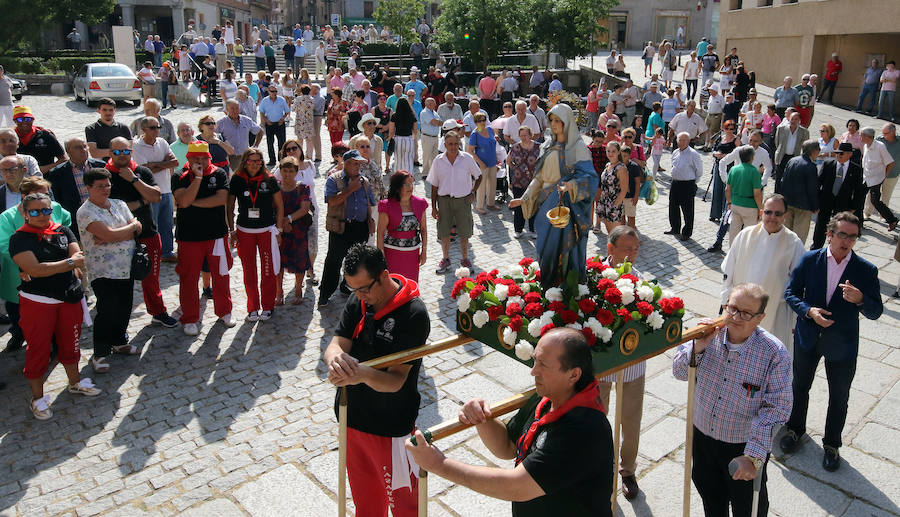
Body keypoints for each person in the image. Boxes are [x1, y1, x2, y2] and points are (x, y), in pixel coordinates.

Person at [407, 327, 613, 517]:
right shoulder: (547, 397)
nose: (533, 371)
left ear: (574, 374)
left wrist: (440, 465)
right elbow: (508, 447)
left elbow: (517, 486)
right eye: (535, 361)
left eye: (543, 364)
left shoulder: (584, 429)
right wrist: (482, 419)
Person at [325, 244, 429, 516]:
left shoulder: (413, 314)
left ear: (384, 275)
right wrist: (335, 358)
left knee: (404, 505)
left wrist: (359, 373)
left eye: (364, 288)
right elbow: (337, 342)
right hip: (353, 418)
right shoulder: (358, 300)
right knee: (366, 504)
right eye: (353, 290)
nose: (360, 296)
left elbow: (395, 381)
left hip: (390, 426)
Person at [674, 283, 792, 517]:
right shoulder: (706, 333)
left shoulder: (774, 354)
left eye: (746, 313)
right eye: (733, 308)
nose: (737, 317)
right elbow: (678, 372)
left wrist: (753, 456)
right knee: (710, 498)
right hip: (703, 438)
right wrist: (698, 347)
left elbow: (778, 409)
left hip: (742, 445)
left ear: (760, 318)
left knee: (748, 508)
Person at [782, 212, 883, 472]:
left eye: (852, 236)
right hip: (808, 336)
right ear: (829, 234)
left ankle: (832, 445)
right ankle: (794, 429)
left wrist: (861, 299)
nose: (847, 241)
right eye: (842, 234)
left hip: (842, 345)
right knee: (799, 386)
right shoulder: (810, 259)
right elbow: (790, 293)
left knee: (839, 397)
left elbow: (875, 312)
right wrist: (808, 311)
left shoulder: (866, 270)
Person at [10, 192, 101, 418]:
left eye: (46, 210)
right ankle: (38, 399)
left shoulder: (62, 230)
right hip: (38, 302)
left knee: (71, 342)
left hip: (69, 296)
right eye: (35, 211)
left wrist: (67, 263)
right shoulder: (19, 238)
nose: (42, 215)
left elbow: (77, 254)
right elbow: (36, 270)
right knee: (39, 349)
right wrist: (70, 263)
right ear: (25, 214)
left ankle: (75, 382)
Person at [509, 104, 598, 287]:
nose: (554, 124)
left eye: (558, 120)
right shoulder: (547, 146)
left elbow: (590, 178)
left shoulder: (577, 148)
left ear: (567, 122)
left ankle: (567, 287)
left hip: (566, 205)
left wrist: (572, 185)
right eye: (552, 120)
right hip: (546, 205)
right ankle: (548, 286)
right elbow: (539, 178)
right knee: (545, 246)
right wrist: (524, 198)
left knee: (566, 248)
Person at [594, 226, 647, 499]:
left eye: (636, 249)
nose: (633, 254)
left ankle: (627, 470)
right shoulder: (594, 275)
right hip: (602, 364)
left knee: (631, 420)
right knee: (596, 417)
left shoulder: (641, 281)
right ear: (610, 248)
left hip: (632, 365)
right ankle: (599, 468)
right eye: (627, 248)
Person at [77, 168, 143, 373]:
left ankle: (119, 341)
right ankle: (100, 352)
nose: (105, 189)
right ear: (88, 188)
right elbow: (113, 233)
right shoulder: (85, 212)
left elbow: (138, 227)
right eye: (100, 186)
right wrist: (126, 229)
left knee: (125, 306)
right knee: (107, 310)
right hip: (102, 271)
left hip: (126, 267)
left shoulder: (119, 204)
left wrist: (115, 234)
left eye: (107, 185)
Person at [721, 193, 805, 352]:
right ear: (761, 212)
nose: (772, 217)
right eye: (768, 212)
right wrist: (726, 299)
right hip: (739, 310)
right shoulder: (746, 235)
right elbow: (728, 268)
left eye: (778, 213)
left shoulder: (793, 243)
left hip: (774, 314)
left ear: (785, 215)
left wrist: (795, 320)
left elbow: (799, 285)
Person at [171, 141, 235, 336]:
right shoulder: (179, 176)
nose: (200, 161)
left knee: (221, 275)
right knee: (188, 278)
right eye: (195, 158)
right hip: (189, 237)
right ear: (188, 159)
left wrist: (192, 203)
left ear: (209, 158)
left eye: (203, 158)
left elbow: (220, 199)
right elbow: (182, 200)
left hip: (216, 235)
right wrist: (197, 178)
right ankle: (190, 318)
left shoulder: (219, 173)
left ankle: (225, 311)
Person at [227, 148, 284, 321]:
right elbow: (229, 207)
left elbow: (280, 206)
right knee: (248, 271)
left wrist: (279, 230)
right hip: (245, 232)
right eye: (251, 161)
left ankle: (268, 306)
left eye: (258, 161)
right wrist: (232, 230)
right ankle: (252, 307)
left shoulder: (269, 179)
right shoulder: (237, 179)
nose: (254, 165)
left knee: (267, 270)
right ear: (244, 162)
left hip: (266, 231)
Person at [319, 150, 376, 306]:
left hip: (360, 227)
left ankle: (347, 286)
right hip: (340, 228)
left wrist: (370, 221)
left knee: (356, 262)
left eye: (359, 163)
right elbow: (331, 201)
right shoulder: (333, 180)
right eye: (354, 163)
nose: (358, 166)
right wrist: (350, 189)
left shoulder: (364, 181)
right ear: (346, 163)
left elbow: (370, 202)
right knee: (333, 261)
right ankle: (325, 293)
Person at [131, 118, 180, 269]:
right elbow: (144, 170)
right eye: (152, 127)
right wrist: (163, 164)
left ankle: (167, 252)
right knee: (151, 225)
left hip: (165, 189)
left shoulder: (162, 142)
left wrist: (155, 165)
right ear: (143, 129)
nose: (156, 130)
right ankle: (151, 253)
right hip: (149, 192)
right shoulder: (137, 146)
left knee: (167, 224)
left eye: (158, 127)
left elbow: (175, 162)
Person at [46, 138, 105, 240]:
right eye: (78, 147)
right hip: (76, 222)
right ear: (68, 152)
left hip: (102, 218)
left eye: (85, 146)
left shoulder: (101, 166)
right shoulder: (56, 173)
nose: (83, 150)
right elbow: (57, 200)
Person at [812, 143, 866, 250]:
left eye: (841, 154)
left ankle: (834, 247)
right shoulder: (828, 164)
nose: (838, 156)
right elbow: (818, 182)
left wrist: (854, 206)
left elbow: (858, 190)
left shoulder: (856, 169)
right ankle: (816, 248)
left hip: (843, 202)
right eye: (837, 153)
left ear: (849, 154)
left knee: (839, 227)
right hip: (826, 200)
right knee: (821, 225)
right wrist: (816, 201)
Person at [376, 171, 427, 282]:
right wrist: (381, 256)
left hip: (412, 254)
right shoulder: (386, 205)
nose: (410, 187)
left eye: (411, 183)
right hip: (392, 254)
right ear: (398, 187)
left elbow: (423, 229)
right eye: (406, 184)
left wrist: (424, 251)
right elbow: (380, 233)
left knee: (410, 284)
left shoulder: (420, 203)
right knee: (393, 285)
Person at [276, 156, 312, 304]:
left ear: (296, 172)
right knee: (278, 262)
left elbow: (305, 209)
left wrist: (288, 219)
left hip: (298, 229)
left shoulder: (302, 188)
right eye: (285, 171)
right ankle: (279, 291)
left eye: (291, 171)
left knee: (299, 260)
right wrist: (281, 224)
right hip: (278, 230)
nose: (287, 174)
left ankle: (298, 289)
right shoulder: (276, 188)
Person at [780, 139, 821, 244]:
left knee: (786, 233)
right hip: (803, 206)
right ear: (814, 151)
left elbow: (783, 180)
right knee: (799, 236)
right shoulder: (811, 166)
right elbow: (812, 189)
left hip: (788, 202)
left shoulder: (792, 160)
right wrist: (815, 206)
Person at [666, 132, 704, 241]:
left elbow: (699, 170)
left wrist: (693, 182)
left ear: (688, 141)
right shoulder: (675, 152)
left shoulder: (693, 154)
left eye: (684, 140)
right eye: (679, 140)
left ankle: (687, 232)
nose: (681, 142)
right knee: (673, 206)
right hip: (675, 182)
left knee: (687, 209)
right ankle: (675, 227)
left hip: (688, 184)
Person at [724, 145, 764, 244]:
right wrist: (760, 209)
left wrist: (729, 202)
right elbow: (757, 194)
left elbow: (727, 189)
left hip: (735, 204)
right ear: (752, 157)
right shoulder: (755, 172)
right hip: (750, 207)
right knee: (749, 235)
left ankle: (732, 253)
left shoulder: (734, 169)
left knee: (733, 232)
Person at [13, 106, 66, 174]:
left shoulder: (46, 135)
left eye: (28, 119)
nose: (24, 122)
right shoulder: (10, 138)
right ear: (14, 121)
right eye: (20, 119)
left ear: (33, 120)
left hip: (46, 179)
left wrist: (41, 169)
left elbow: (64, 159)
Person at [508, 127, 540, 239]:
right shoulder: (515, 147)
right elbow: (508, 161)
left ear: (530, 135)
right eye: (521, 135)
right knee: (518, 206)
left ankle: (533, 229)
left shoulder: (538, 147)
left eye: (525, 135)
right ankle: (518, 229)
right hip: (518, 181)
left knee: (534, 205)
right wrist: (515, 169)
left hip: (534, 182)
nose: (523, 137)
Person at [216, 99, 264, 172]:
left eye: (237, 108)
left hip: (245, 157)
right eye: (232, 108)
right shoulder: (221, 122)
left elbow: (260, 131)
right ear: (227, 109)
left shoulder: (246, 120)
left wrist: (255, 146)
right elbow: (212, 136)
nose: (235, 110)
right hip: (230, 158)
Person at [469, 112, 498, 214]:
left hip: (492, 161)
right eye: (479, 120)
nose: (482, 122)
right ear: (476, 122)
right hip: (482, 164)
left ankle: (491, 204)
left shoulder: (490, 130)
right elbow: (470, 151)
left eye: (484, 120)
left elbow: (493, 143)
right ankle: (479, 206)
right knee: (481, 185)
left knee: (492, 184)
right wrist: (480, 163)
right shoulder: (475, 134)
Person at [596, 141, 628, 233]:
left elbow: (624, 190)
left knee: (615, 235)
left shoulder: (621, 168)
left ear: (618, 152)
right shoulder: (608, 165)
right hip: (604, 202)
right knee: (610, 234)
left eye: (613, 151)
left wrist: (614, 206)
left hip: (613, 204)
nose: (610, 154)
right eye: (608, 151)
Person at [774, 113, 809, 194]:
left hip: (794, 156)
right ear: (789, 119)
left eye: (796, 119)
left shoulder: (804, 132)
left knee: (791, 177)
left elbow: (805, 145)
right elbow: (777, 142)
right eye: (792, 119)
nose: (793, 121)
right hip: (782, 156)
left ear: (799, 120)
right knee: (778, 177)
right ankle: (776, 195)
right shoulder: (781, 129)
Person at [259, 84, 290, 167]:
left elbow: (287, 111)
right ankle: (272, 160)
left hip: (280, 124)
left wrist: (283, 118)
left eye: (276, 91)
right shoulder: (265, 101)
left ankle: (282, 160)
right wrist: (265, 120)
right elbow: (261, 112)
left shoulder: (281, 100)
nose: (274, 93)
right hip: (269, 124)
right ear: (269, 92)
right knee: (270, 143)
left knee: (282, 142)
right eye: (272, 91)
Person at [390, 98, 417, 174]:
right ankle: (409, 177)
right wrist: (413, 138)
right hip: (408, 139)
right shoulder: (412, 115)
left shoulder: (394, 115)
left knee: (398, 161)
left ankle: (398, 179)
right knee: (408, 160)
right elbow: (415, 130)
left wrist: (390, 138)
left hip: (398, 139)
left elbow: (391, 130)